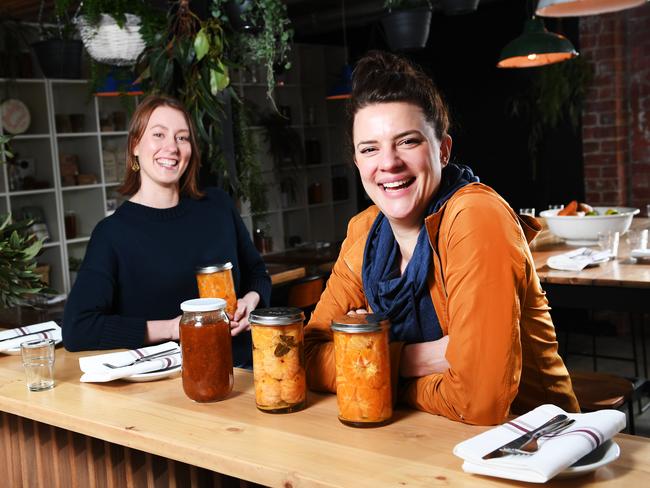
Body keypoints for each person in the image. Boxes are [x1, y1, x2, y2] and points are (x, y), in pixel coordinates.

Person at [304, 51, 579, 425]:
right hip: (419, 446)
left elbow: (478, 402)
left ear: (443, 150)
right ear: (358, 163)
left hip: (530, 447)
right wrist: (422, 357)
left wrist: (370, 366)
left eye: (407, 142)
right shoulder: (365, 231)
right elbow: (303, 357)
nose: (388, 163)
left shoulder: (475, 217)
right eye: (370, 148)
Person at [63, 95, 271, 367]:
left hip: (246, 368)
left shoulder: (218, 206)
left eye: (182, 138)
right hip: (173, 381)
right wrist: (174, 328)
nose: (171, 147)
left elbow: (258, 274)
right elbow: (78, 328)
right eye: (159, 134)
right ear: (135, 145)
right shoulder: (112, 234)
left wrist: (250, 302)